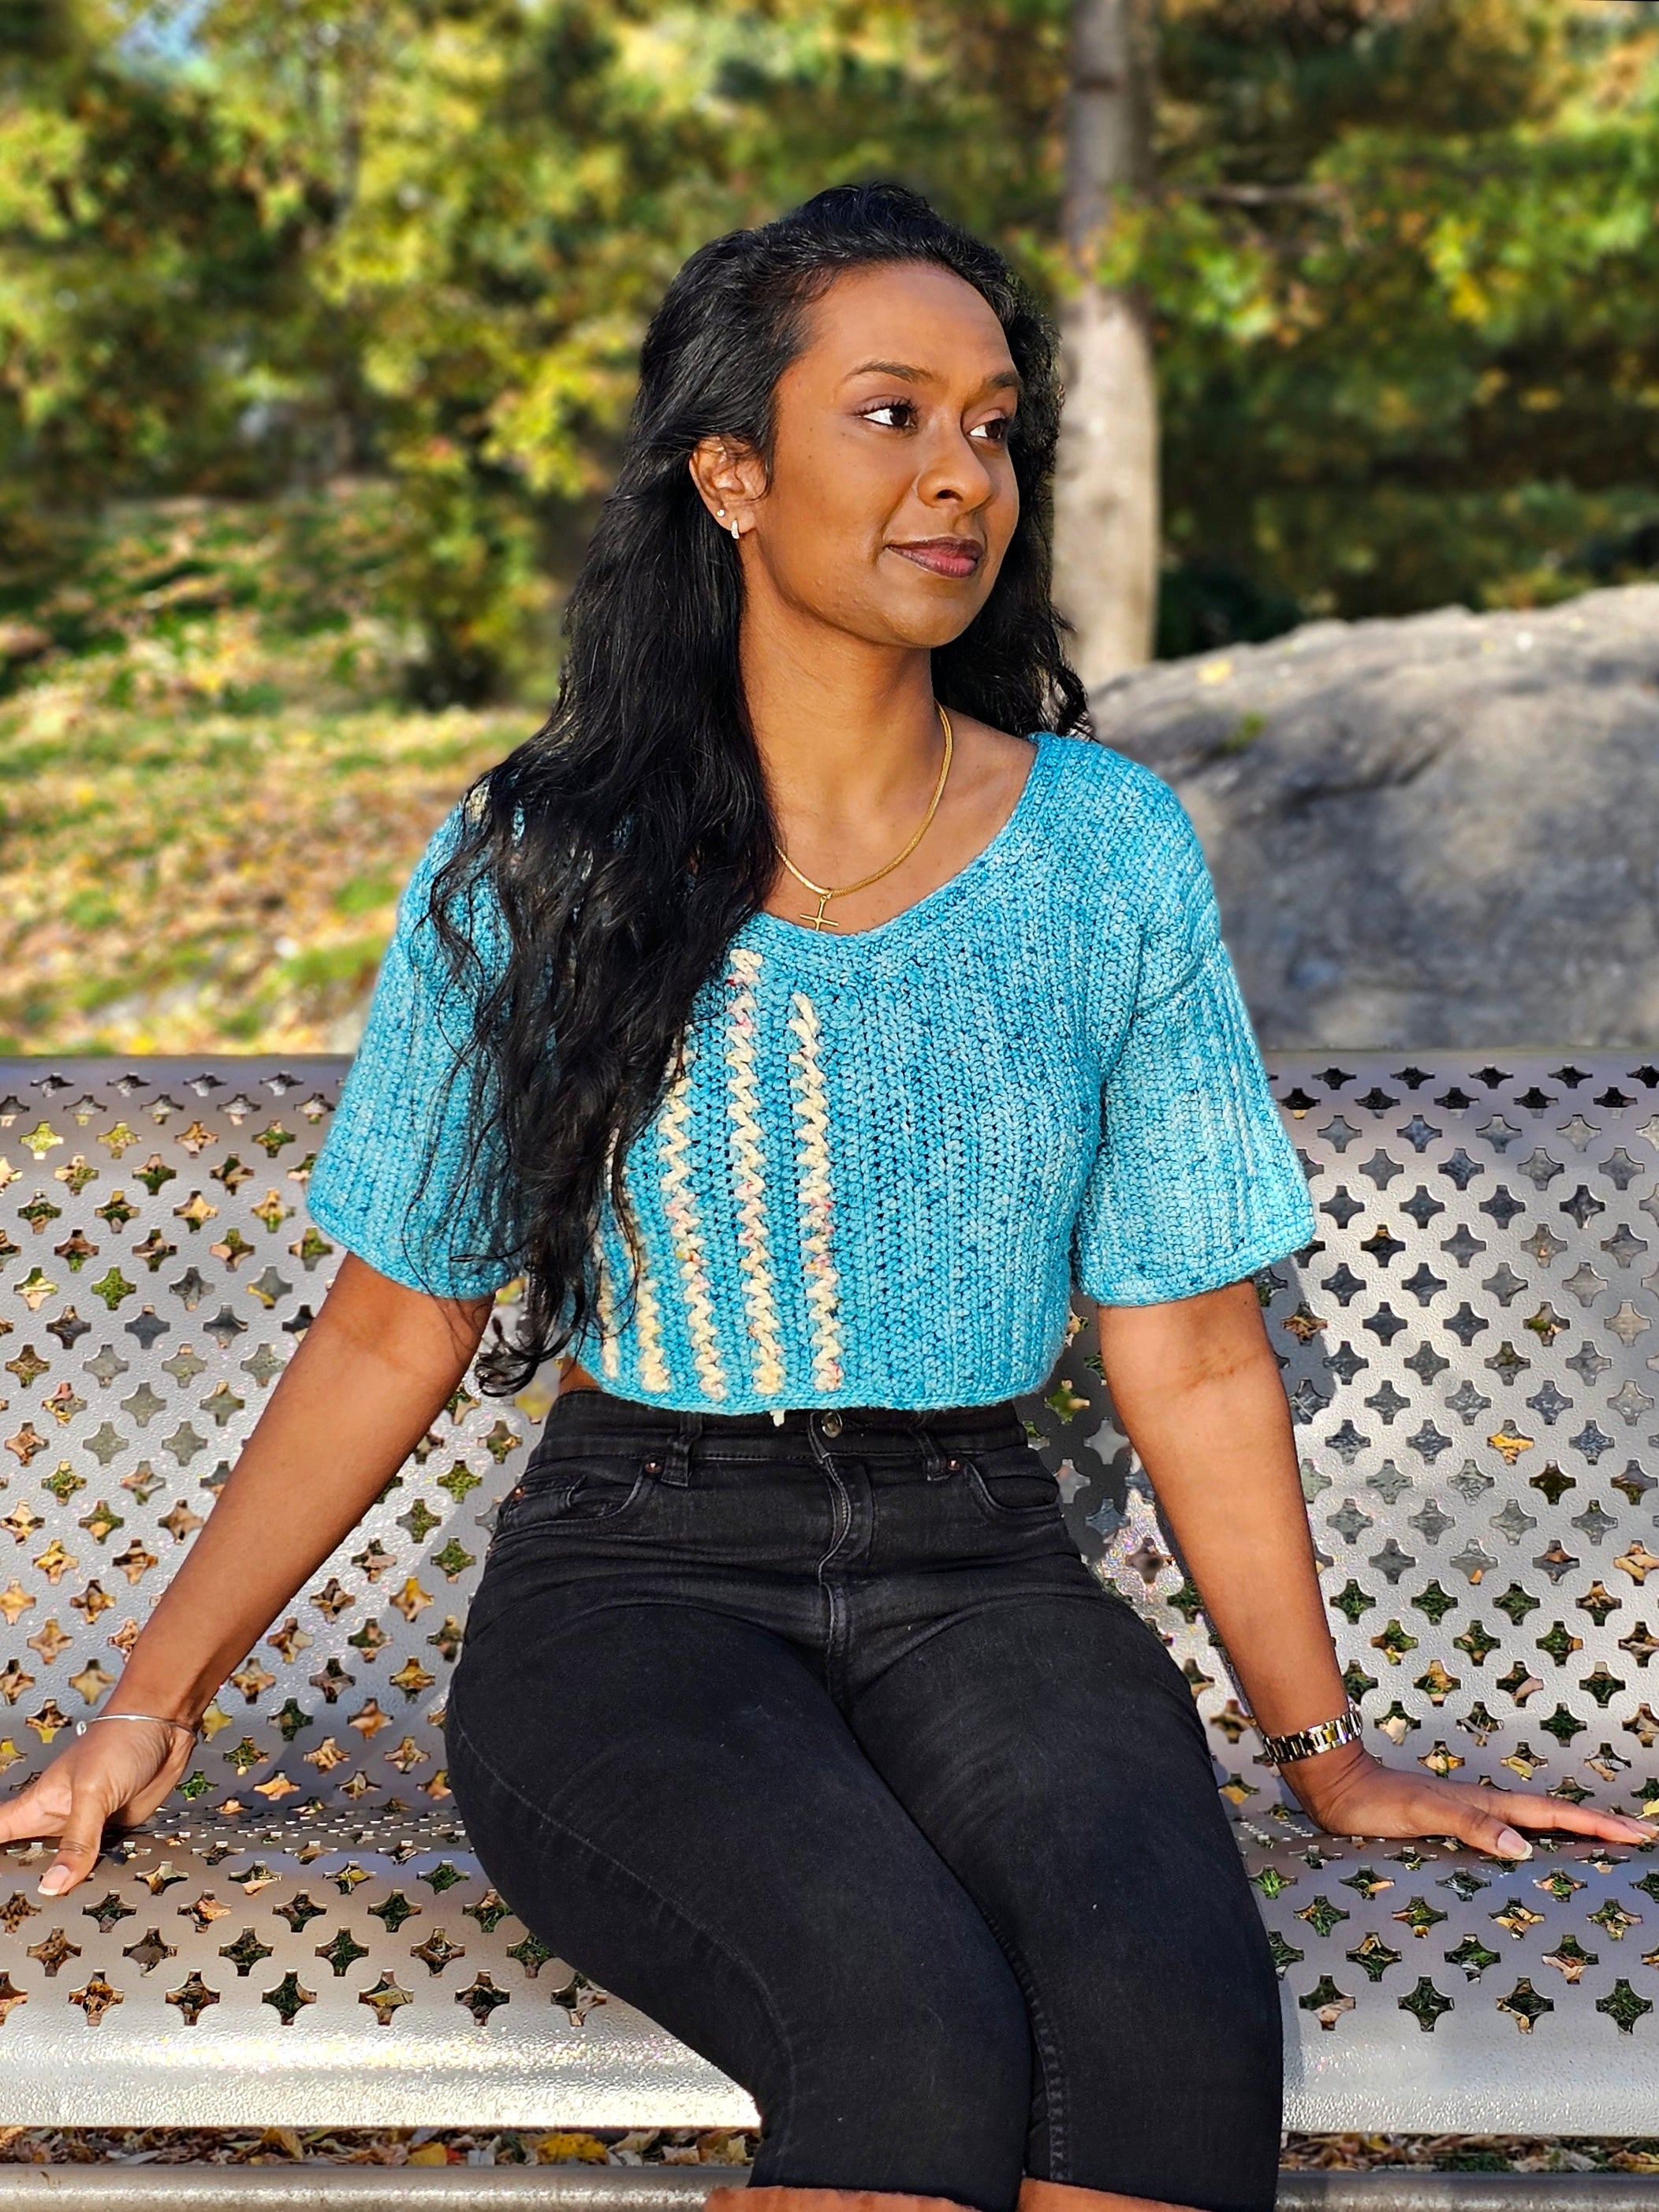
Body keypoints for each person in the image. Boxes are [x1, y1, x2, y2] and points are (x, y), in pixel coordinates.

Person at [3, 181, 1651, 2212]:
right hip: (637, 1585)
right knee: (908, 2031)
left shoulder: (1105, 851)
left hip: (985, 1566)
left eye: (993, 426)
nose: (962, 474)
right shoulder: (540, 859)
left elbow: (1197, 1348)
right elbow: (394, 1317)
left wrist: (1330, 1754)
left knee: (1168, 2030)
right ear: (731, 473)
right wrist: (145, 1704)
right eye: (891, 415)